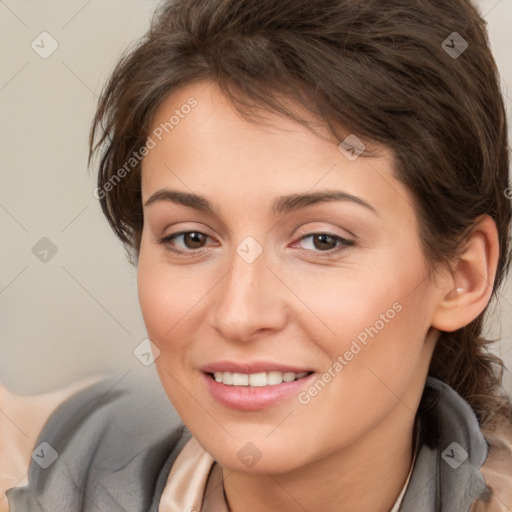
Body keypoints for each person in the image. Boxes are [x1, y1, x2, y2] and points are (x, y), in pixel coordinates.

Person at [2, 0, 512, 510]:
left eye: (321, 240)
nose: (238, 314)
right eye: (191, 238)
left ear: (462, 276)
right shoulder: (68, 464)